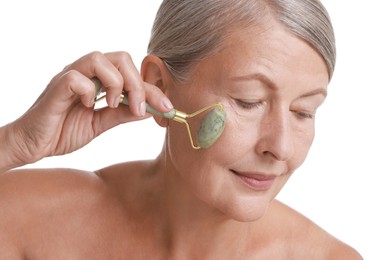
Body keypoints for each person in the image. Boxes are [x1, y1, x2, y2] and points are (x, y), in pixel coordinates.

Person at [0, 0, 363, 258]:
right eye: (249, 101)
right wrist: (14, 144)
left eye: (304, 111)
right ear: (159, 83)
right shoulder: (27, 218)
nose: (281, 148)